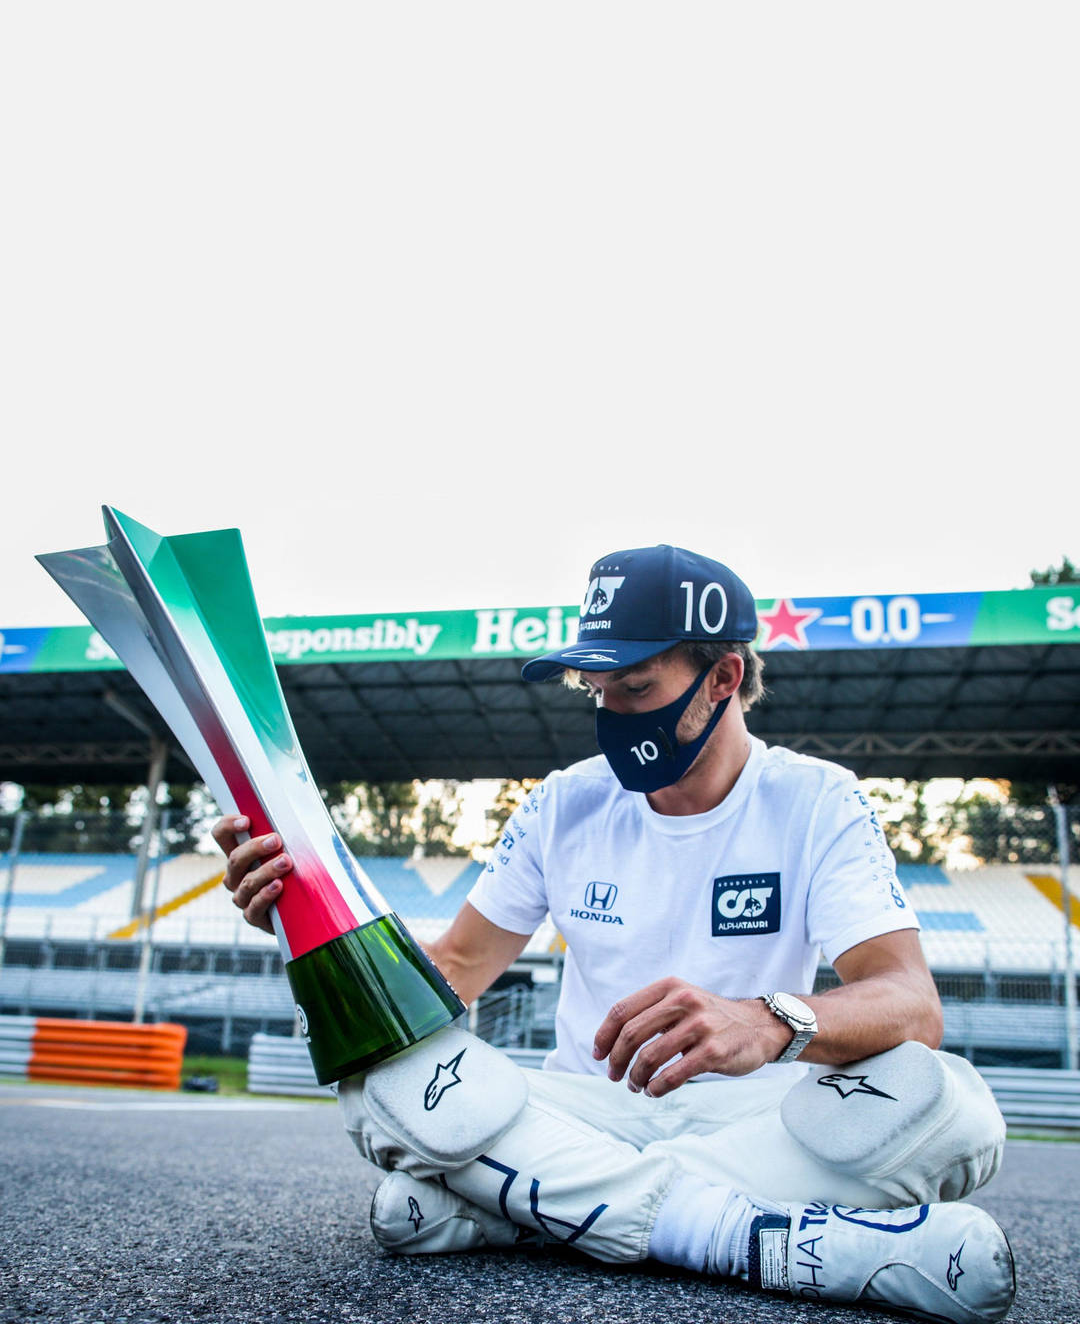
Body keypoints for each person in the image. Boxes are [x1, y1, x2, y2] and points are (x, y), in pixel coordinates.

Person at [215, 544, 1015, 1322]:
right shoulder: (564, 802)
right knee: (379, 1073)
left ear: (723, 677)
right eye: (596, 691)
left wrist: (769, 1021)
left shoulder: (817, 800)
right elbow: (455, 966)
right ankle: (733, 1234)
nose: (611, 714)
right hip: (582, 1111)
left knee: (955, 1104)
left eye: (634, 687)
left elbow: (911, 1003)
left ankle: (522, 1208)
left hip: (759, 1125)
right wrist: (303, 921)